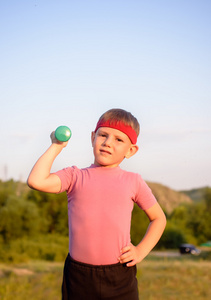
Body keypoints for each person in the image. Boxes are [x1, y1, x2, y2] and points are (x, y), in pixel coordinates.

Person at [27, 108, 166, 300]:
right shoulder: (74, 176)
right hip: (78, 276)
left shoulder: (133, 181)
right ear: (93, 137)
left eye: (119, 139)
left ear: (131, 150)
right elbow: (36, 181)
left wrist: (141, 250)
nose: (108, 143)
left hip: (120, 275)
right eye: (103, 135)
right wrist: (57, 145)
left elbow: (159, 219)